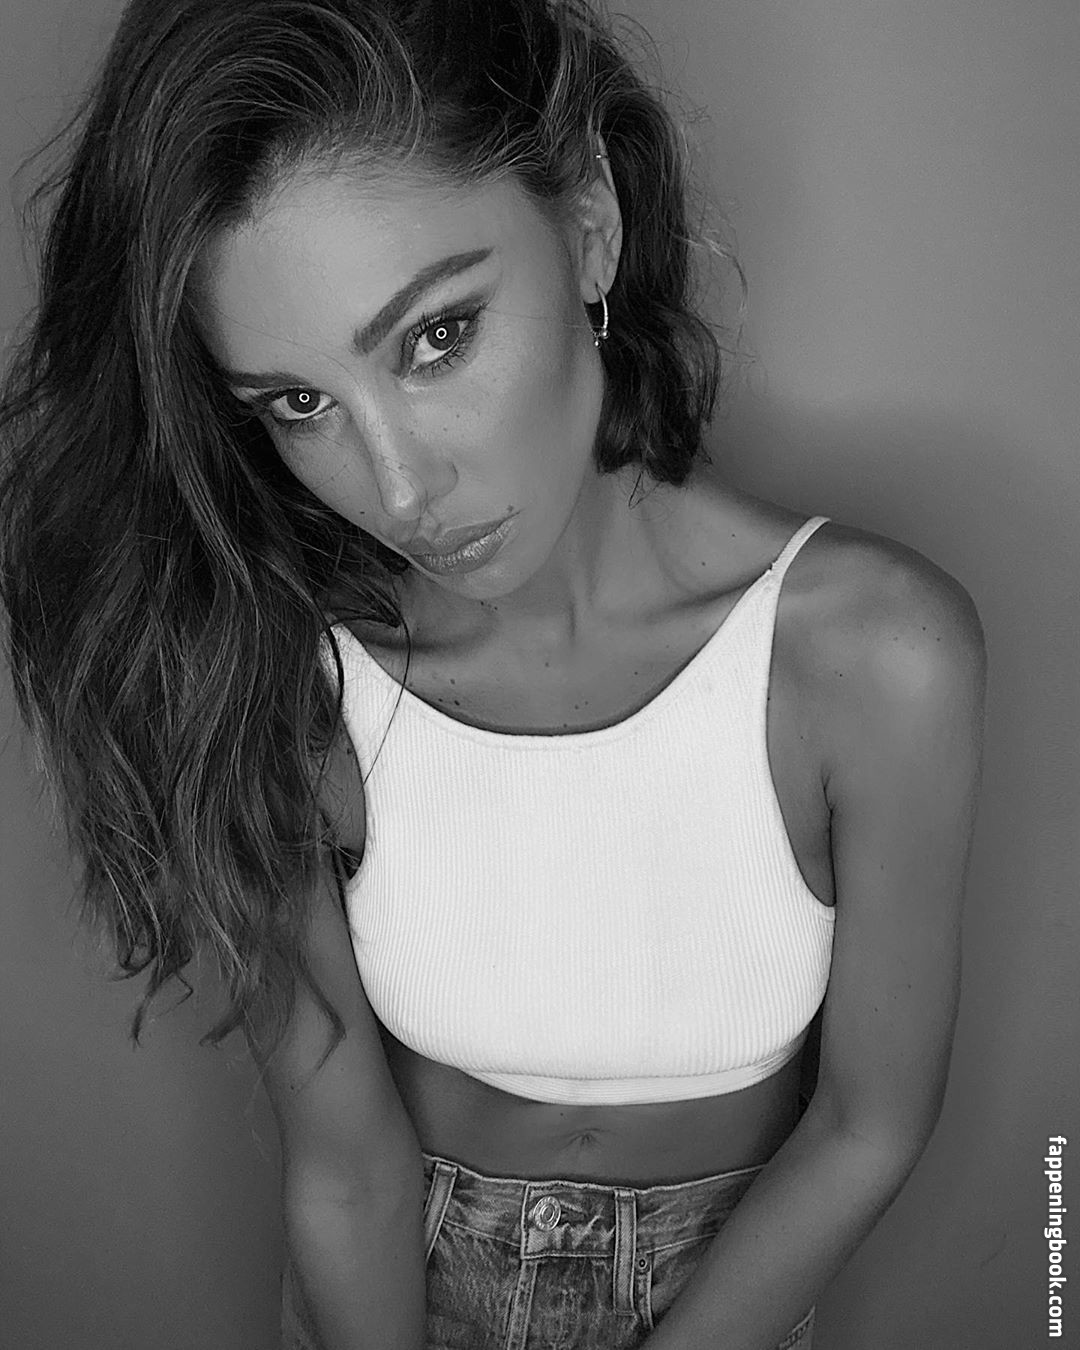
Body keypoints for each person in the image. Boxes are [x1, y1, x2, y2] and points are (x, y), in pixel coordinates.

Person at [0, 1, 988, 1347]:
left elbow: (870, 1123)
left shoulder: (875, 656)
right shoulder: (285, 679)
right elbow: (343, 1161)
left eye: (437, 337)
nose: (399, 488)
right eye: (300, 405)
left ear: (589, 221)